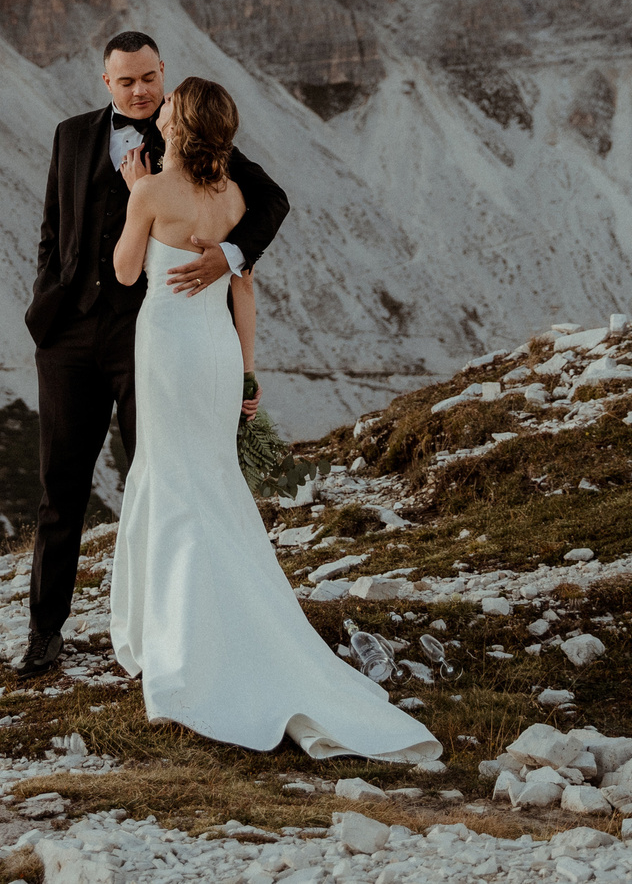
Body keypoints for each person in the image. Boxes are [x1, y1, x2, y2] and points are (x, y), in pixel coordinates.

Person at [107, 76, 441, 763]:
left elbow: (125, 271)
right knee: (210, 480)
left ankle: (183, 643)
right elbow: (245, 289)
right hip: (219, 352)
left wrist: (135, 191)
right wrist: (248, 373)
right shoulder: (233, 197)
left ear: (179, 126)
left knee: (172, 480)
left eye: (168, 107)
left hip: (168, 350)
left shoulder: (149, 191)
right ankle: (227, 619)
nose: (158, 109)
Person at [19, 32, 288, 676]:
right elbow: (54, 228)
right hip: (68, 335)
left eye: (149, 78)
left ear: (163, 73)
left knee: (162, 481)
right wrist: (46, 302)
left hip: (150, 337)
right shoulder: (70, 135)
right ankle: (44, 633)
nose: (141, 91)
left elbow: (272, 201)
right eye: (127, 81)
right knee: (60, 487)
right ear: (105, 83)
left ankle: (171, 630)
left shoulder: (194, 134)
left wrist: (228, 256)